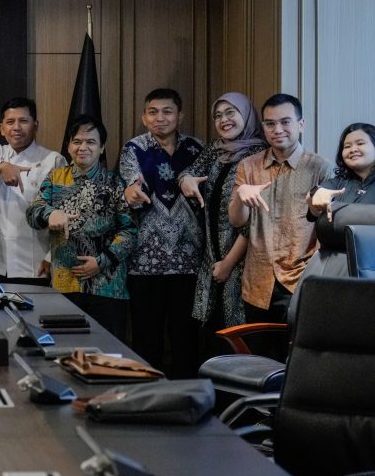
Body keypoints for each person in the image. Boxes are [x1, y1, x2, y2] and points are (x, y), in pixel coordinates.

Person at [118, 88, 205, 377]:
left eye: (167, 111)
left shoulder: (197, 149)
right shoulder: (134, 148)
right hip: (145, 262)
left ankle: (186, 396)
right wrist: (132, 192)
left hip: (189, 262)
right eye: (153, 112)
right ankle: (148, 396)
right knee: (146, 339)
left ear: (180, 115)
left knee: (186, 340)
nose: (160, 118)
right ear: (144, 117)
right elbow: (133, 182)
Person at [27, 114, 136, 340]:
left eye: (91, 142)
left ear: (102, 147)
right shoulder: (55, 178)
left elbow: (130, 231)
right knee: (65, 349)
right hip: (64, 285)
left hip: (107, 287)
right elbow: (33, 214)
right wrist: (50, 213)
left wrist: (102, 261)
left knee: (108, 351)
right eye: (77, 141)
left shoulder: (115, 183)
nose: (82, 147)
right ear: (68, 146)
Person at [229, 94, 332, 326]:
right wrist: (241, 195)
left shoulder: (320, 167)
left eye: (285, 122)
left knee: (298, 348)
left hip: (301, 279)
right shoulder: (248, 166)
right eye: (270, 123)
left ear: (301, 124)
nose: (277, 130)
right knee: (259, 348)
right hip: (258, 281)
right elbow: (236, 221)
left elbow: (327, 227)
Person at [178, 93, 268, 346]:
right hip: (211, 260)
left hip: (243, 263)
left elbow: (257, 220)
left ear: (246, 115)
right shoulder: (216, 150)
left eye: (230, 113)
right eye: (217, 115)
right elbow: (187, 173)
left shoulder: (260, 154)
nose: (223, 120)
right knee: (211, 340)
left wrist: (228, 263)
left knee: (239, 339)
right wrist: (186, 180)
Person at [0, 97, 65, 285]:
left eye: (23, 121)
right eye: (10, 122)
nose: (16, 127)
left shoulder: (53, 160)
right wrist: (2, 167)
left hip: (36, 264)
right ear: (1, 128)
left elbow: (63, 211)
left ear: (35, 125)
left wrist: (51, 256)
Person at [304, 122, 375, 277]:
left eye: (360, 143)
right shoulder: (337, 182)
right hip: (333, 267)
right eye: (347, 146)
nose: (353, 149)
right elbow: (314, 195)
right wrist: (316, 194)